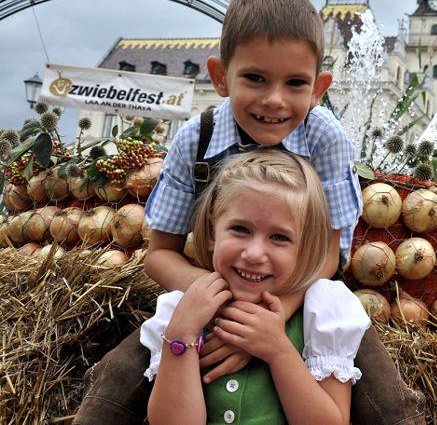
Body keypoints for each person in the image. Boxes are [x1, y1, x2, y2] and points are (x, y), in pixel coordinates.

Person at [74, 0, 423, 424]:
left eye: (294, 83)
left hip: (300, 298)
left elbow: (329, 256)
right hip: (211, 292)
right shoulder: (196, 139)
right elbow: (159, 255)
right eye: (255, 78)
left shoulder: (326, 139)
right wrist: (219, 309)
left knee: (389, 404)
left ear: (318, 87)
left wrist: (263, 327)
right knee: (116, 379)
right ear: (221, 77)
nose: (274, 99)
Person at [142, 150, 370, 424]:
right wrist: (180, 333)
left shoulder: (322, 311)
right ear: (213, 232)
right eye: (240, 229)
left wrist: (278, 351)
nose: (254, 253)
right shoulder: (180, 309)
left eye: (279, 237)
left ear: (304, 248)